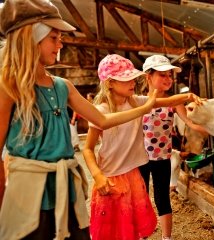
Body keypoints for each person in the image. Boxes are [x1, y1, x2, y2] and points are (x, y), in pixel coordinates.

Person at [0, 1, 157, 239]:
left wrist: (145, 107)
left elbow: (102, 120)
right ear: (29, 38)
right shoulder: (8, 87)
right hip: (27, 197)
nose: (60, 44)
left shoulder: (63, 86)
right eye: (54, 37)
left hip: (67, 193)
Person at [82, 54, 205, 240]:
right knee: (113, 226)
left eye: (133, 77)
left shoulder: (135, 101)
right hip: (111, 175)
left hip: (134, 171)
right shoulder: (102, 110)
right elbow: (87, 148)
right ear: (110, 84)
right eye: (126, 79)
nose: (132, 82)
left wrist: (188, 95)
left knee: (132, 219)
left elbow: (166, 102)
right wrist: (97, 175)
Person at [140, 55, 207, 240]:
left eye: (170, 75)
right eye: (162, 75)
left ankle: (166, 237)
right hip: (139, 159)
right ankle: (142, 234)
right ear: (148, 77)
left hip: (162, 158)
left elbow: (190, 123)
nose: (168, 79)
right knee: (141, 197)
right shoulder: (138, 101)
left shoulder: (175, 102)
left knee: (162, 197)